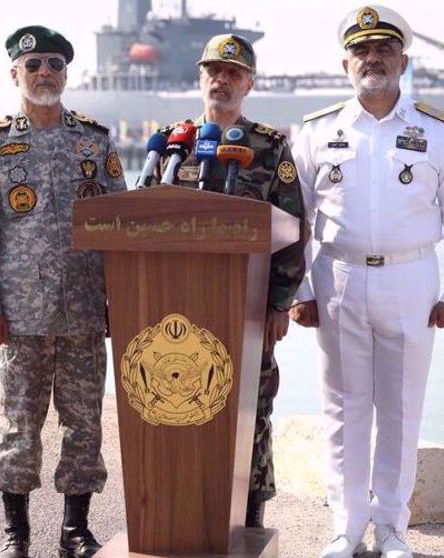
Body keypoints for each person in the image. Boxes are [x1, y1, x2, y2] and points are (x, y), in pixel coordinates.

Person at [290, 6, 444, 558]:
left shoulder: (437, 133)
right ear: (347, 63)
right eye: (362, 52)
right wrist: (300, 291)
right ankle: (344, 529)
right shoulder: (319, 131)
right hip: (338, 277)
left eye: (384, 50)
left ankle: (392, 529)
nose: (373, 60)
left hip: (412, 279)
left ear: (403, 59)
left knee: (400, 410)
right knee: (343, 410)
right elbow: (294, 216)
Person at [0, 25, 127, 558]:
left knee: (84, 424)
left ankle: (75, 531)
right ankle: (16, 535)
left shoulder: (94, 141)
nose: (44, 74)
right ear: (15, 74)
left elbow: (122, 225)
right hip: (20, 315)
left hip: (84, 312)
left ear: (66, 73)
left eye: (54, 64)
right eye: (33, 66)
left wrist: (120, 304)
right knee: (20, 427)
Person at [152, 33, 308, 528]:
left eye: (233, 74)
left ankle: (249, 516)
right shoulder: (173, 142)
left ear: (249, 84)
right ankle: (176, 513)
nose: (221, 80)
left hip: (246, 305)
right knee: (176, 404)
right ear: (200, 79)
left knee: (251, 408)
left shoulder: (268, 146)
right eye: (213, 72)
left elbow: (293, 228)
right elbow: (144, 215)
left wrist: (280, 301)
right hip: (173, 309)